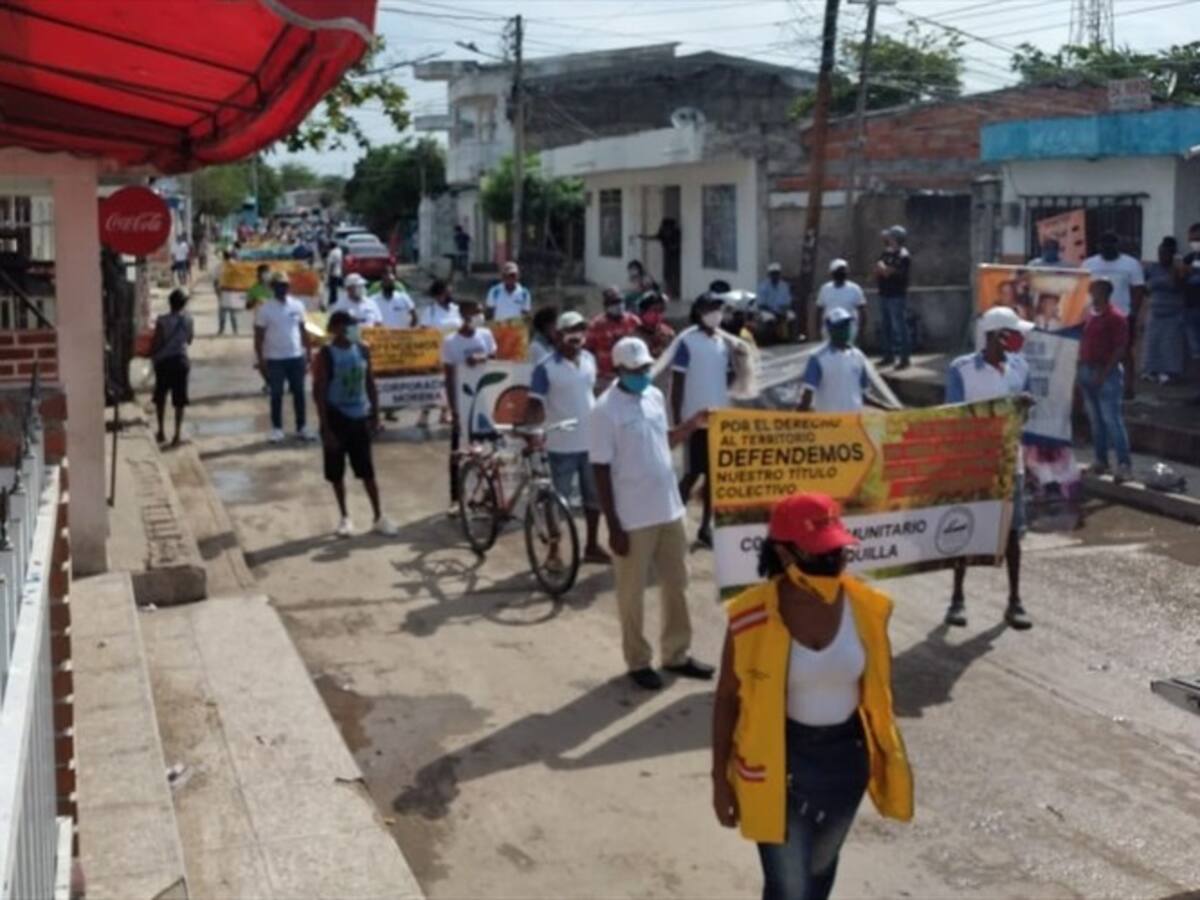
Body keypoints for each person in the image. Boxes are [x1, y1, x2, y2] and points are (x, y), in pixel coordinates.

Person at [711, 492, 913, 900]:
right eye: (821, 550)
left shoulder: (865, 610)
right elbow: (727, 699)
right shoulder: (751, 618)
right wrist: (720, 780)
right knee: (789, 886)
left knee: (819, 875)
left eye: (837, 548)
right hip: (777, 764)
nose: (834, 558)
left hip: (845, 764)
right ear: (785, 553)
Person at [589, 336, 713, 690]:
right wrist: (613, 526)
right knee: (632, 594)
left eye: (645, 368)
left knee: (678, 584)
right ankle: (638, 660)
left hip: (669, 509)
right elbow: (600, 469)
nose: (642, 374)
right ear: (618, 370)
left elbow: (665, 440)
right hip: (632, 517)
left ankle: (676, 654)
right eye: (634, 370)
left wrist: (690, 425)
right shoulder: (604, 411)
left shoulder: (654, 397)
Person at [944, 305, 1035, 630]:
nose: (1020, 340)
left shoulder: (1021, 368)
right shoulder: (962, 369)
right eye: (1016, 334)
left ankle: (1015, 601)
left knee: (1012, 534)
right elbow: (953, 416)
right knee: (963, 529)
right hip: (972, 462)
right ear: (999, 336)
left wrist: (1021, 409)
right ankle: (957, 598)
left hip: (1011, 460)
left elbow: (1024, 416)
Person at [525, 311, 609, 564]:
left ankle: (592, 546)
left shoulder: (589, 360)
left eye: (581, 331)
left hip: (591, 441)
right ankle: (554, 550)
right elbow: (535, 405)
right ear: (559, 334)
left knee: (594, 499)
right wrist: (534, 434)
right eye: (572, 331)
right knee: (556, 503)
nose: (578, 336)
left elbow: (592, 393)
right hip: (561, 446)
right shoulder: (546, 368)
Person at [672, 292, 730, 548]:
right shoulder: (687, 342)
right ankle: (671, 522)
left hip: (719, 419)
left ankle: (705, 526)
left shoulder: (722, 342)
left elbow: (726, 378)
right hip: (694, 421)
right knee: (692, 473)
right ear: (699, 311)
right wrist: (678, 420)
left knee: (714, 478)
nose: (716, 313)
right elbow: (678, 384)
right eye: (711, 308)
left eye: (719, 308)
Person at [1077, 277, 1134, 482]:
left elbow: (1120, 349)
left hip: (1105, 373)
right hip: (1086, 369)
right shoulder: (1088, 315)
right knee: (1096, 420)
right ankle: (1101, 460)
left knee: (1112, 420)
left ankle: (1124, 464)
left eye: (1095, 289)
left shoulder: (1116, 317)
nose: (1092, 293)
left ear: (1105, 292)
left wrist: (1105, 372)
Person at [442, 298, 497, 510]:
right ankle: (456, 499)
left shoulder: (485, 335)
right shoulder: (451, 342)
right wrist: (453, 409)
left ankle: (485, 493)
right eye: (477, 312)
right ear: (465, 315)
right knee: (459, 452)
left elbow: (494, 356)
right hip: (463, 403)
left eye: (481, 311)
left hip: (484, 401)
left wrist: (482, 357)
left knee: (487, 449)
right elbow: (448, 377)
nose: (481, 315)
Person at [1082, 231, 1145, 399]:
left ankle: (1128, 388)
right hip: (1095, 316)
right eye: (1104, 244)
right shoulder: (1089, 264)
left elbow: (1138, 289)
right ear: (1098, 246)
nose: (1107, 248)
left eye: (1111, 244)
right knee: (1095, 350)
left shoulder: (1131, 264)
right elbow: (1081, 289)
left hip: (1122, 315)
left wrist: (1134, 313)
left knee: (1124, 352)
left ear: (1118, 245)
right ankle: (1095, 383)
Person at [255, 271, 315, 444]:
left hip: (296, 356)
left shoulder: (297, 305)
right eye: (279, 285)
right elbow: (259, 336)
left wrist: (309, 354)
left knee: (299, 393)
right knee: (276, 394)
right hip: (275, 358)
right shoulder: (265, 309)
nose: (283, 288)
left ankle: (302, 427)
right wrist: (261, 360)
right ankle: (276, 428)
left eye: (285, 285)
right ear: (273, 288)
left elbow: (303, 330)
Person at [798, 308, 869, 413]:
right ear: (830, 329)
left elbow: (864, 392)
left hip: (853, 423)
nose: (844, 329)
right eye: (840, 326)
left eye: (846, 325)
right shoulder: (818, 357)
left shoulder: (858, 356)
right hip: (829, 423)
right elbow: (808, 394)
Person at [151, 289, 194, 447]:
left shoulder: (162, 320)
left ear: (170, 304)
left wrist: (151, 355)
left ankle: (161, 431)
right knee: (180, 400)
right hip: (181, 362)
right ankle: (177, 434)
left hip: (163, 362)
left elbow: (157, 341)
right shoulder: (188, 319)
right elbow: (189, 340)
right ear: (184, 304)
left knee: (161, 397)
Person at [1141, 237, 1184, 385]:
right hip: (1155, 310)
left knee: (1170, 345)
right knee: (1152, 342)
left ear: (1172, 254)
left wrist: (1175, 266)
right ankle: (1150, 370)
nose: (1161, 256)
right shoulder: (1151, 268)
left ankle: (1170, 372)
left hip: (1173, 313)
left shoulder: (1178, 268)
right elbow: (1143, 287)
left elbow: (1176, 285)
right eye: (1159, 253)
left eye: (1165, 253)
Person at [586, 286, 640, 389]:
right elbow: (589, 351)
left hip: (630, 376)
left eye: (620, 301)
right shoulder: (596, 325)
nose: (618, 305)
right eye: (614, 302)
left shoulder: (634, 321)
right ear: (606, 305)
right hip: (605, 379)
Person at [875, 225, 912, 370]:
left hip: (896, 295)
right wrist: (882, 269)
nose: (887, 238)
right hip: (884, 293)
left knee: (899, 327)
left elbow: (887, 272)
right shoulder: (887, 253)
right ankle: (888, 356)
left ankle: (904, 358)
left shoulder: (903, 255)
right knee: (886, 326)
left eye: (890, 236)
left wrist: (884, 269)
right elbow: (878, 269)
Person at [815, 258, 866, 341]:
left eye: (844, 270)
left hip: (849, 330)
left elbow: (862, 311)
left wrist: (861, 332)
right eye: (839, 270)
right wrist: (817, 331)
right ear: (832, 273)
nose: (842, 273)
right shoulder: (825, 289)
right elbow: (819, 310)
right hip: (829, 331)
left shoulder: (855, 289)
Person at [1184, 223, 1200, 403]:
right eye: (1193, 239)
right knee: (1196, 355)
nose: (1195, 243)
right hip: (1190, 310)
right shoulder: (1189, 258)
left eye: (1198, 239)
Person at [635, 291, 676, 359]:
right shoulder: (634, 336)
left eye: (661, 310)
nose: (658, 315)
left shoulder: (668, 333)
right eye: (654, 310)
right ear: (643, 312)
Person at [325, 241, 344, 309]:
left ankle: (332, 301)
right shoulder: (339, 251)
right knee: (334, 288)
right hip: (338, 271)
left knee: (332, 288)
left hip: (333, 272)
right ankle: (334, 300)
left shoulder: (333, 252)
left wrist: (330, 273)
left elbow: (332, 263)